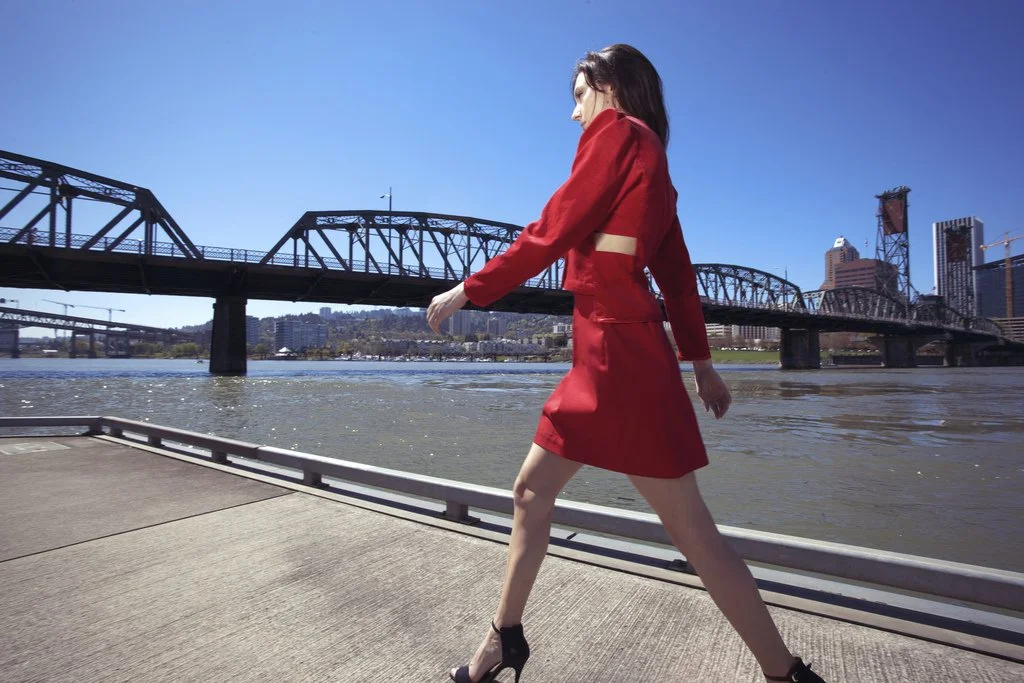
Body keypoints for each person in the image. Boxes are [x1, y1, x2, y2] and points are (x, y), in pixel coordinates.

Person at [427, 44, 828, 683]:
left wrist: (467, 290)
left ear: (608, 87)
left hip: (616, 358)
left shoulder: (616, 134)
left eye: (579, 95)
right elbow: (676, 275)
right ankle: (503, 638)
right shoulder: (655, 160)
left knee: (693, 532)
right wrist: (701, 364)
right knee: (534, 493)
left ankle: (786, 673)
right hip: (614, 350)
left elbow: (552, 228)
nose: (574, 113)